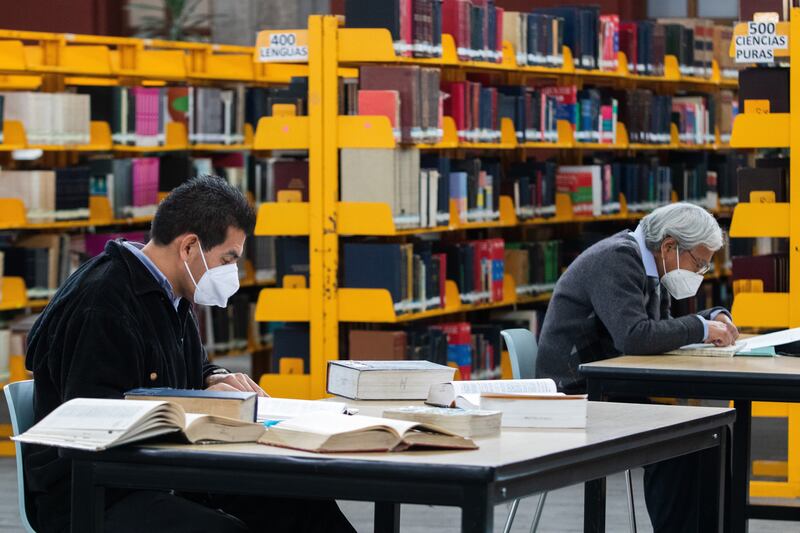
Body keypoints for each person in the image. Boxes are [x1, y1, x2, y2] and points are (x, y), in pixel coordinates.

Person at [24, 176, 355, 533]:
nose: (234, 273)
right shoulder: (104, 303)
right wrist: (196, 405)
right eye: (229, 258)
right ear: (190, 247)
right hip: (94, 493)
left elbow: (186, 366)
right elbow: (94, 418)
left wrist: (212, 377)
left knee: (301, 502)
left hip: (160, 471)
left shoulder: (172, 292)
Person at [536, 202, 738, 533]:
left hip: (610, 387)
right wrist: (701, 328)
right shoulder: (617, 259)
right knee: (681, 441)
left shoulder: (651, 267)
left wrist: (710, 316)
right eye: (699, 264)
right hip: (576, 396)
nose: (700, 274)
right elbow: (635, 336)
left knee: (713, 434)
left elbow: (661, 329)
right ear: (670, 246)